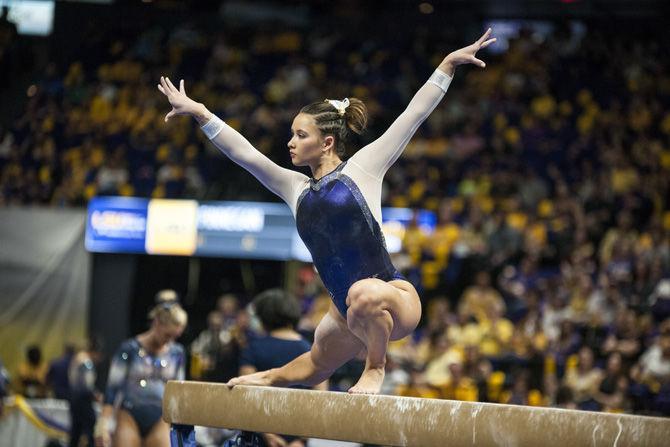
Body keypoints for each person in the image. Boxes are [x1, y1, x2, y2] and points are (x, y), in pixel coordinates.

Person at [158, 29, 496, 394]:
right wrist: (201, 112)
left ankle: (376, 367)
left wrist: (446, 66)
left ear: (327, 142)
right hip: (346, 312)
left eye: (301, 135)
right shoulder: (295, 189)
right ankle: (268, 377)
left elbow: (412, 115)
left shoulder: (363, 168)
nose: (290, 142)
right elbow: (246, 154)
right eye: (291, 134)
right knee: (315, 363)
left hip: (393, 300)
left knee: (363, 295)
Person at [228, 288, 321, 447]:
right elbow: (321, 399)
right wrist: (300, 440)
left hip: (261, 433)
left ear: (262, 317)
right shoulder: (311, 351)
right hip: (298, 434)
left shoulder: (253, 348)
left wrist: (268, 435)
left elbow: (246, 393)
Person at [94, 290, 187, 447]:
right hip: (129, 415)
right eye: (167, 335)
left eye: (174, 337)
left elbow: (178, 391)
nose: (169, 341)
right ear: (156, 323)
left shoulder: (177, 353)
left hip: (160, 418)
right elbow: (112, 388)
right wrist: (103, 424)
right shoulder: (128, 349)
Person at [68, 339, 102, 447]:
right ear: (95, 352)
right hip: (83, 399)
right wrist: (96, 395)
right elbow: (87, 383)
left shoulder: (77, 358)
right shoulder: (86, 362)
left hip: (74, 398)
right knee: (90, 427)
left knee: (76, 431)